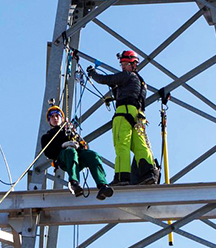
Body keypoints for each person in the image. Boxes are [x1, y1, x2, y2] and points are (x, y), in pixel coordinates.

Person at [87, 50, 159, 186]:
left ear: (133, 64)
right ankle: (148, 174)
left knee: (122, 144)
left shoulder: (127, 76)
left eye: (125, 64)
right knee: (139, 145)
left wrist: (92, 72)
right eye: (122, 64)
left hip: (124, 112)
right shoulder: (141, 82)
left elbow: (104, 79)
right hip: (138, 116)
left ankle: (122, 177)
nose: (123, 66)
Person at [40, 105, 114, 200]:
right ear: (49, 121)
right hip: (63, 159)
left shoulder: (70, 132)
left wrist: (79, 145)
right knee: (71, 152)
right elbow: (49, 153)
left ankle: (102, 185)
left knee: (93, 155)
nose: (55, 118)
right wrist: (62, 146)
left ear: (61, 118)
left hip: (77, 157)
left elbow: (84, 146)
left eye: (57, 116)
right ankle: (74, 182)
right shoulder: (47, 137)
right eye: (52, 117)